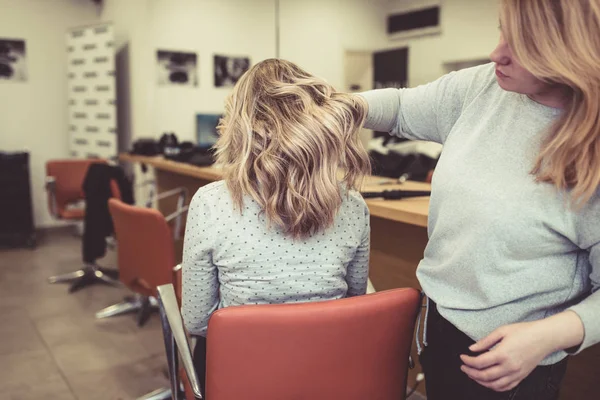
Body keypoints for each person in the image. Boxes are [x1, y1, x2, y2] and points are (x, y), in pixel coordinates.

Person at [359, 0, 599, 399]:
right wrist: (338, 107)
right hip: (438, 327)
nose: (497, 53)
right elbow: (400, 108)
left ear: (570, 49)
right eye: (502, 29)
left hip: (514, 364)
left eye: (522, 43)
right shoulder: (483, 86)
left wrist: (546, 337)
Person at [181, 58, 372, 395]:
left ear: (241, 126)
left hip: (242, 378)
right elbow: (354, 303)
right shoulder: (354, 206)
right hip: (329, 376)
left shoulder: (210, 203)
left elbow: (197, 321)